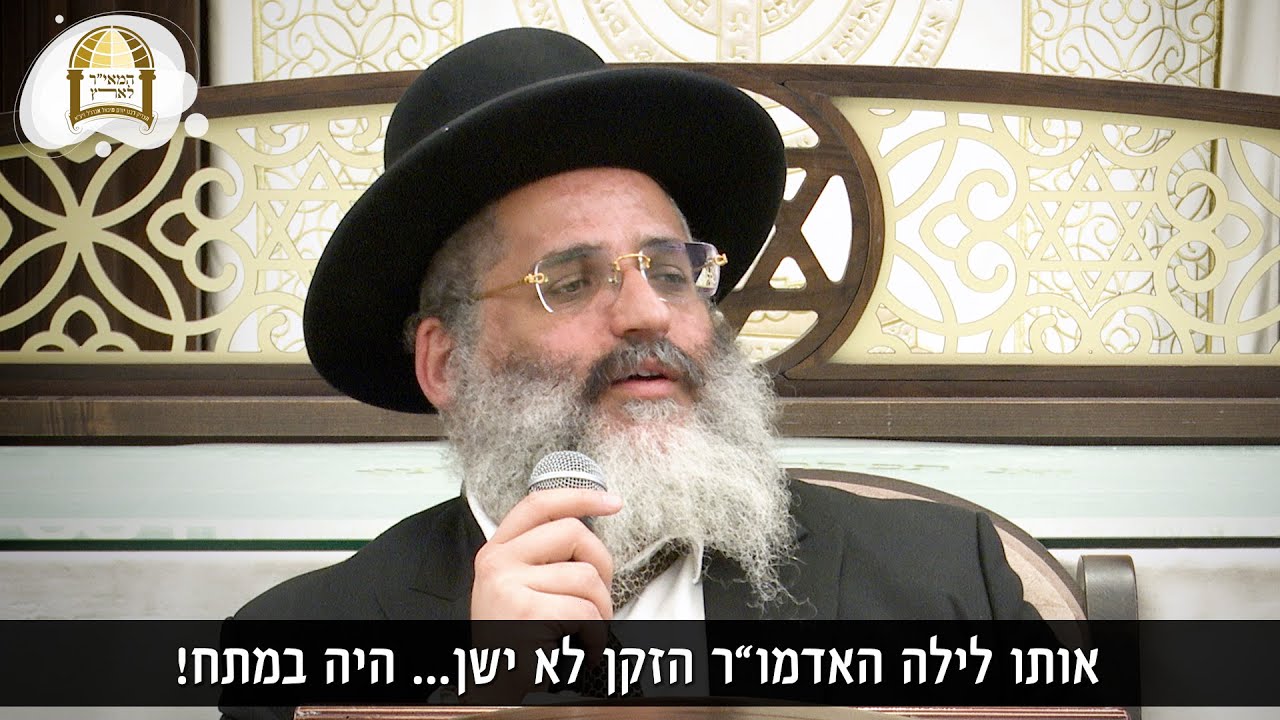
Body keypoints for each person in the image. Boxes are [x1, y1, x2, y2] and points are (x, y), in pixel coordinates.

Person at [232, 24, 1037, 632]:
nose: (648, 314)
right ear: (447, 362)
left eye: (671, 272)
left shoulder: (949, 580)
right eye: (571, 282)